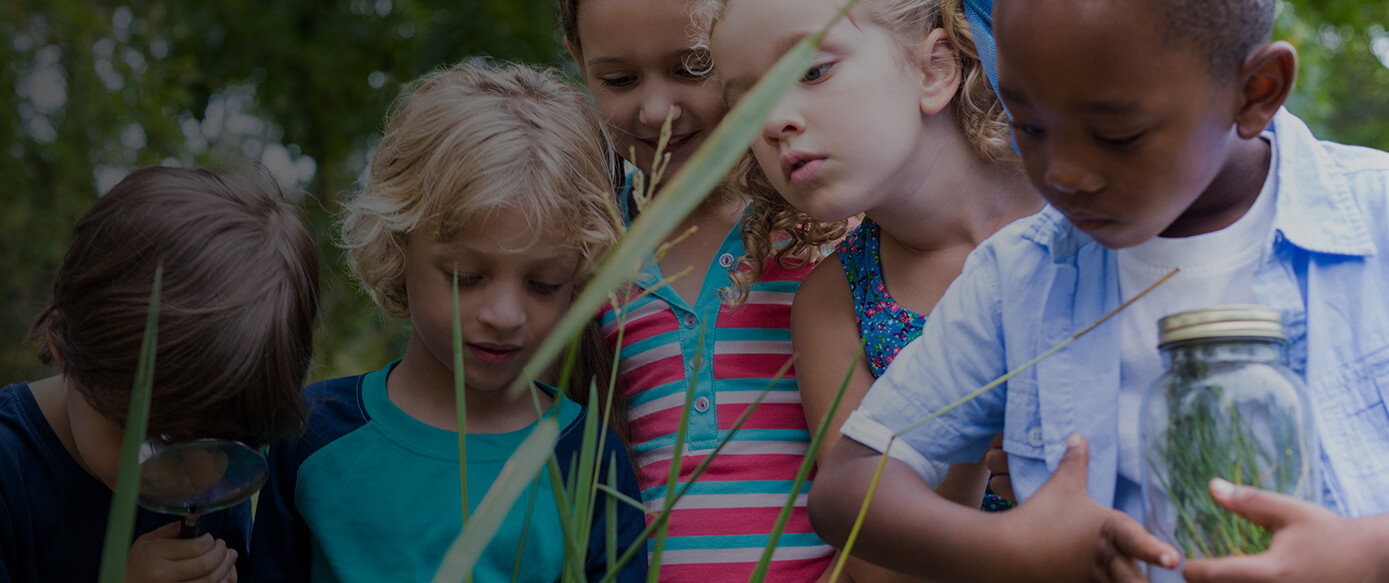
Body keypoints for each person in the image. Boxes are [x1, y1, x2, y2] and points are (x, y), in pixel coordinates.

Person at [810, 0, 1389, 581]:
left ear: (1256, 92)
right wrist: (1010, 548)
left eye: (1117, 134)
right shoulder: (1018, 274)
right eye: (1032, 126)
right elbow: (849, 484)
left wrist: (1368, 553)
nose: (1066, 171)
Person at [247, 62, 646, 583]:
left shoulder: (590, 461)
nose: (504, 316)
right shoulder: (311, 436)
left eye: (543, 284)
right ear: (398, 246)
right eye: (466, 276)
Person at [706, 0, 1041, 545]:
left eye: (813, 71)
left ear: (933, 69)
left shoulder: (1088, 216)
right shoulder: (836, 304)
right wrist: (974, 439)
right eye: (747, 105)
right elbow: (875, 559)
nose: (773, 122)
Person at [561, 0, 837, 579]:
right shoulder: (585, 270)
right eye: (618, 79)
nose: (658, 109)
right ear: (578, 63)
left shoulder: (828, 233)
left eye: (692, 68)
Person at [1, 166, 320, 583]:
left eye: (211, 444)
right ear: (63, 343)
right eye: (145, 435)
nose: (176, 470)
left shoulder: (217, 477)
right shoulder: (9, 470)